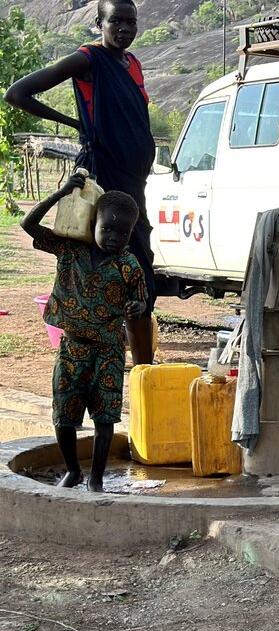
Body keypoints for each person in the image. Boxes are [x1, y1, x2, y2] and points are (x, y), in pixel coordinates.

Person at [5, 0, 156, 365]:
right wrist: (76, 125)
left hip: (134, 182)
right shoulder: (87, 59)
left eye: (131, 22)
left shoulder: (131, 63)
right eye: (116, 21)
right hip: (105, 178)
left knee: (139, 272)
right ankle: (114, 364)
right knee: (111, 268)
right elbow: (17, 94)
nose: (124, 28)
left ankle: (141, 370)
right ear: (98, 23)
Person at [21, 174, 146, 492]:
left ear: (131, 233)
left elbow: (140, 300)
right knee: (64, 415)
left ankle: (97, 478)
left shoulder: (128, 265)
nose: (114, 237)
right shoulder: (69, 249)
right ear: (93, 222)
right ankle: (73, 470)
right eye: (107, 228)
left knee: (105, 419)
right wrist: (61, 193)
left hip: (109, 350)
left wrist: (136, 307)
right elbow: (28, 225)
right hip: (72, 348)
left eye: (123, 232)